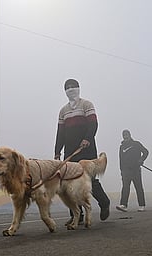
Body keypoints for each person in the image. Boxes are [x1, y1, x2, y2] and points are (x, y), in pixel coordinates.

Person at [54, 78, 110, 225]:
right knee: (70, 184)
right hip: (70, 152)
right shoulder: (63, 111)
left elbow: (93, 124)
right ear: (65, 91)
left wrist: (87, 138)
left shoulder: (86, 104)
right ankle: (76, 215)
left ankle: (104, 203)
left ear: (78, 88)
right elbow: (60, 133)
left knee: (89, 181)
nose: (71, 89)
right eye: (68, 87)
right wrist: (57, 151)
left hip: (86, 148)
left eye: (73, 86)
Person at [115, 129, 149, 212]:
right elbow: (121, 159)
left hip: (136, 169)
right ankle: (124, 205)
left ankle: (142, 205)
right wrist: (121, 170)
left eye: (126, 135)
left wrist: (141, 159)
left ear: (130, 135)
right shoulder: (122, 146)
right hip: (125, 171)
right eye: (124, 135)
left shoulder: (136, 144)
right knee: (125, 187)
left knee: (138, 187)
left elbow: (146, 152)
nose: (125, 136)